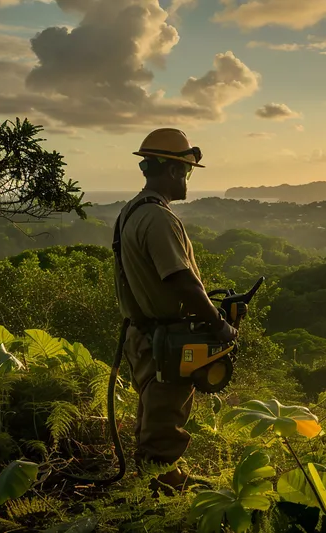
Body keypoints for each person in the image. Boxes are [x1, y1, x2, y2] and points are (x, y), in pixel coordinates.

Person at [112, 128, 238, 492]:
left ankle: (155, 476)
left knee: (154, 407)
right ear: (172, 171)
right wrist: (218, 324)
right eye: (186, 170)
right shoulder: (159, 218)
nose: (187, 179)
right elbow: (181, 280)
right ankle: (163, 486)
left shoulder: (131, 212)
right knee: (166, 410)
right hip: (162, 335)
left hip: (143, 332)